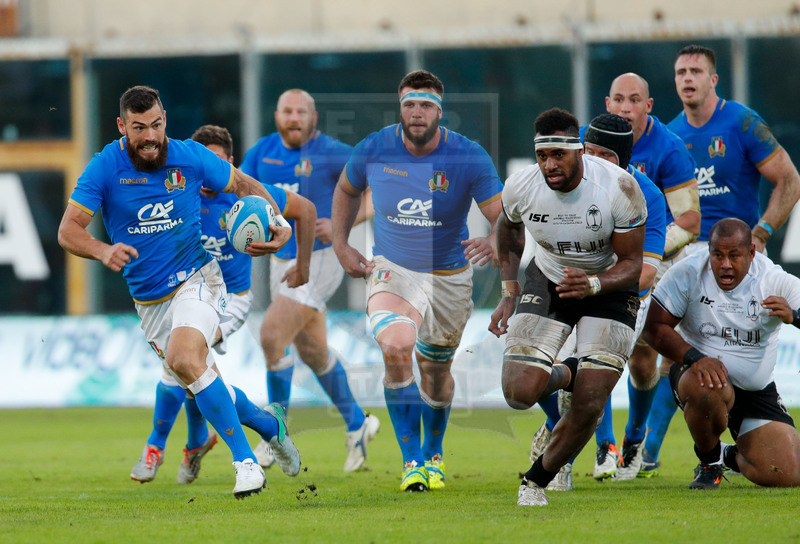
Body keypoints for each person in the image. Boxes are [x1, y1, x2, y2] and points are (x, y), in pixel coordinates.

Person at [58, 86, 302, 498]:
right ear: (122, 127)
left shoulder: (189, 156)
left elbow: (242, 183)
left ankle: (245, 465)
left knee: (184, 358)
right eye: (139, 128)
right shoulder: (104, 167)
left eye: (155, 125)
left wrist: (280, 222)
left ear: (164, 119)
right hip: (149, 303)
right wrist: (102, 250)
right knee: (199, 378)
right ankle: (269, 425)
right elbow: (68, 230)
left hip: (199, 279)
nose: (150, 136)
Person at [332, 70, 502, 492]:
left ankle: (433, 453)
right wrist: (341, 244)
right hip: (393, 268)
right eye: (409, 103)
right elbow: (346, 190)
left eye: (425, 104)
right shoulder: (374, 146)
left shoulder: (468, 155)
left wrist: (496, 239)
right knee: (396, 345)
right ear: (400, 107)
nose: (417, 112)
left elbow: (503, 214)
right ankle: (411, 462)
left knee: (435, 370)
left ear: (440, 111)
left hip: (449, 276)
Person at [128, 124, 317, 486]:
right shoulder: (179, 194)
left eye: (219, 163)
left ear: (230, 163)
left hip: (230, 299)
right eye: (205, 164)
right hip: (183, 294)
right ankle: (262, 426)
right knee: (192, 369)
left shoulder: (248, 196)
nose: (211, 173)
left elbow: (305, 210)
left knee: (183, 362)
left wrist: (303, 265)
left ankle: (165, 444)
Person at [644, 44, 800, 475]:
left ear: (714, 79)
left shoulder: (742, 122)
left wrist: (763, 233)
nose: (687, 78)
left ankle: (728, 451)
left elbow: (789, 177)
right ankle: (649, 451)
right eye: (680, 72)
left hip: (738, 258)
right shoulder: (670, 137)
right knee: (662, 349)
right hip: (687, 254)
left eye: (696, 71)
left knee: (787, 472)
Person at [490, 107, 646, 506]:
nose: (549, 165)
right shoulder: (522, 185)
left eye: (558, 155)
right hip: (550, 277)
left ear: (580, 151)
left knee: (591, 404)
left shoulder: (619, 188)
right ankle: (570, 372)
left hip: (609, 285)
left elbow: (632, 266)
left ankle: (535, 482)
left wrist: (594, 282)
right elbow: (507, 231)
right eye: (542, 156)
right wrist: (509, 292)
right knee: (518, 392)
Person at [240, 89, 379, 473]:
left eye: (302, 111)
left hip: (318, 258)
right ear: (276, 115)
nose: (294, 117)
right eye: (288, 111)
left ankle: (274, 432)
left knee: (270, 335)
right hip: (277, 257)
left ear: (313, 116)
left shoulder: (332, 151)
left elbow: (378, 187)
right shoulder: (261, 152)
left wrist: (341, 224)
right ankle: (358, 424)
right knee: (313, 352)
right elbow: (241, 192)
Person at [528, 113, 667, 489]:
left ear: (622, 160)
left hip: (622, 299)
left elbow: (646, 272)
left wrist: (593, 284)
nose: (592, 161)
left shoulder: (644, 194)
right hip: (570, 290)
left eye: (603, 155)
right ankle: (559, 433)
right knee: (536, 371)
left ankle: (618, 444)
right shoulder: (565, 186)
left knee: (593, 376)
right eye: (588, 151)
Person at [594, 72, 701, 479]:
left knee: (641, 359)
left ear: (648, 106)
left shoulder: (669, 149)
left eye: (634, 100)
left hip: (655, 262)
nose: (625, 107)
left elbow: (690, 220)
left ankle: (634, 439)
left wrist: (644, 252)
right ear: (607, 103)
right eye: (618, 99)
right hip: (602, 261)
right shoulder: (596, 142)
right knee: (596, 348)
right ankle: (604, 447)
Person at [643, 217, 800, 489]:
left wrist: (794, 315)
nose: (725, 264)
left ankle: (725, 454)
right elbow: (654, 328)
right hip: (700, 378)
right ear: (709, 252)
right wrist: (694, 358)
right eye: (718, 255)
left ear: (751, 253)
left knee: (787, 473)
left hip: (755, 388)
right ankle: (709, 462)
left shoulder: (773, 279)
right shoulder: (688, 273)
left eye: (734, 256)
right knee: (708, 386)